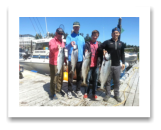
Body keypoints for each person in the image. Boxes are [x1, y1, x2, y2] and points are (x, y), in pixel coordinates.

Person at [98, 27, 125, 102]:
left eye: (117, 33)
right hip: (107, 65)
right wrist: (103, 50)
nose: (115, 34)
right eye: (114, 33)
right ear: (111, 34)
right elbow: (99, 48)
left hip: (117, 65)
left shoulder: (121, 44)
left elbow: (122, 54)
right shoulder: (107, 42)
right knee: (107, 81)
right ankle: (108, 94)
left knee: (117, 81)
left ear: (119, 34)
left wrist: (123, 63)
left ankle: (116, 95)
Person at [65, 21, 85, 99]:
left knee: (79, 76)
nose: (76, 28)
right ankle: (69, 91)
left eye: (77, 27)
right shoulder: (69, 36)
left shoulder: (82, 37)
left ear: (79, 28)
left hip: (80, 59)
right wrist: (70, 44)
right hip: (71, 59)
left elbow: (84, 49)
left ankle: (78, 90)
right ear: (73, 27)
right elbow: (66, 47)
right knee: (71, 75)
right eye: (75, 27)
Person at [48, 28, 67, 99]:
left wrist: (65, 61)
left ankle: (58, 89)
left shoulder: (62, 42)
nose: (60, 35)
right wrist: (57, 47)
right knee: (54, 78)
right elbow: (51, 49)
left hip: (61, 62)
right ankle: (53, 93)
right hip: (54, 63)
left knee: (60, 77)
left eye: (62, 34)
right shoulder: (52, 41)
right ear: (56, 33)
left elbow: (63, 53)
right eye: (59, 33)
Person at [83, 30, 102, 100]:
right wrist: (85, 51)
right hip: (88, 65)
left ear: (97, 37)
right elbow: (85, 52)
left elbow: (101, 54)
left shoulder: (99, 44)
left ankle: (94, 93)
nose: (95, 37)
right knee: (87, 79)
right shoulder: (87, 44)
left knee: (95, 80)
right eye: (94, 35)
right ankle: (86, 92)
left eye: (96, 36)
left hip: (96, 65)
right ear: (91, 36)